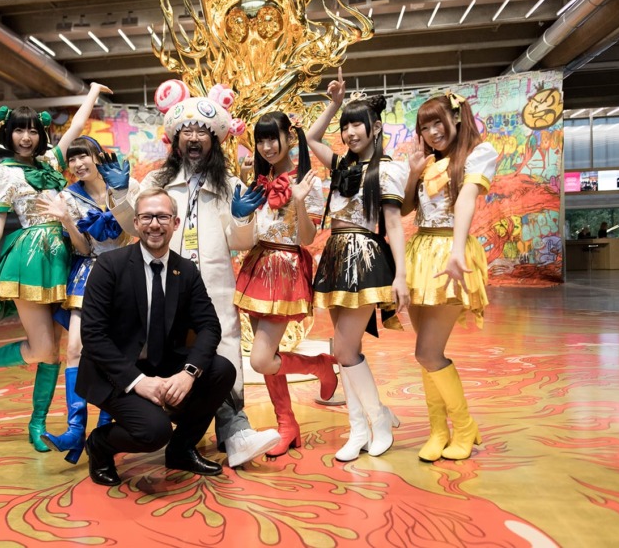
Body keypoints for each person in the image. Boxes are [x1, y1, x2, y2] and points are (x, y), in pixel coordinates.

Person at [109, 81, 281, 467]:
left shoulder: (228, 185)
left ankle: (234, 432)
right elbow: (134, 225)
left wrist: (241, 216)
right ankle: (175, 429)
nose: (194, 137)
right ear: (175, 137)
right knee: (168, 356)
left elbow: (241, 242)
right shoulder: (156, 182)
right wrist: (122, 195)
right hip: (163, 287)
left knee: (222, 356)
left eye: (203, 131)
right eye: (187, 130)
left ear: (215, 138)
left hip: (213, 290)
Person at [0, 83, 110, 453]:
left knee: (56, 347)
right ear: (8, 133)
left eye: (33, 130)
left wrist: (93, 92)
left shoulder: (52, 161)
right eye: (19, 130)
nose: (26, 137)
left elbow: (75, 129)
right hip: (32, 258)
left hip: (66, 257)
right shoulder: (0, 172)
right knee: (42, 349)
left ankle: (38, 424)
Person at [76, 189, 236, 486]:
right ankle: (100, 444)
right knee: (153, 431)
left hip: (162, 363)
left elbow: (210, 326)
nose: (154, 224)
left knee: (222, 369)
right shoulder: (110, 266)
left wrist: (188, 374)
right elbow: (93, 335)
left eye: (162, 217)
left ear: (175, 223)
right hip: (115, 372)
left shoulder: (185, 270)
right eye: (147, 217)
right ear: (136, 223)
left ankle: (181, 449)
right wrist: (138, 382)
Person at [305, 68, 409, 462]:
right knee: (342, 348)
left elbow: (395, 225)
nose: (350, 133)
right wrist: (333, 104)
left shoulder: (386, 169)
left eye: (357, 125)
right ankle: (364, 424)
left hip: (364, 257)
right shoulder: (341, 167)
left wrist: (401, 275)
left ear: (375, 127)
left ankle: (373, 422)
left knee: (345, 350)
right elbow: (312, 137)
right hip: (335, 255)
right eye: (346, 126)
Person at [233, 112, 337, 458]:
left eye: (272, 138)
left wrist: (300, 199)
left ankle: (319, 365)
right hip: (257, 264)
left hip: (285, 266)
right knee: (267, 355)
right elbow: (250, 234)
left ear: (289, 138)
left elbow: (307, 239)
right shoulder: (260, 180)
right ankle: (286, 424)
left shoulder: (307, 179)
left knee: (262, 359)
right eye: (260, 140)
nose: (266, 146)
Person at [402, 91, 498, 461]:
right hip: (420, 256)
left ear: (455, 118)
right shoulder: (427, 162)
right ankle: (439, 431)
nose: (432, 132)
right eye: (424, 126)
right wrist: (412, 173)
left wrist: (457, 250)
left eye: (437, 122)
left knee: (426, 350)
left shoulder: (477, 154)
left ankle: (465, 425)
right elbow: (409, 208)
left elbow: (466, 199)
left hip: (448, 253)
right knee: (429, 353)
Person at [36, 136, 138, 464]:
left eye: (84, 156)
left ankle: (105, 427)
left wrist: (122, 195)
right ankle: (74, 429)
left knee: (118, 352)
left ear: (97, 156)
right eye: (73, 159)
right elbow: (82, 248)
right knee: (75, 348)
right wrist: (66, 219)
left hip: (124, 273)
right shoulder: (68, 197)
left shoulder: (124, 184)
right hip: (89, 272)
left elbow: (133, 231)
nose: (79, 164)